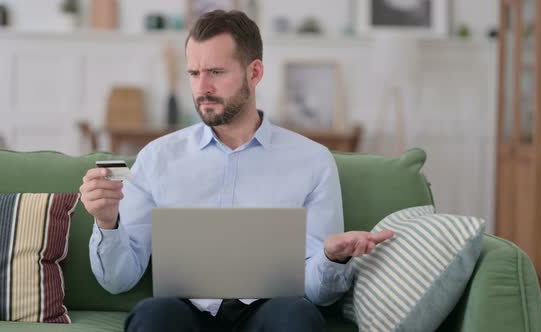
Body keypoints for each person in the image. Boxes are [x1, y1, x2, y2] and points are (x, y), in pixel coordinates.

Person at [80, 10, 393, 332]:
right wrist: (107, 222)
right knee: (153, 316)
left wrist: (331, 257)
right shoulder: (157, 158)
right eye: (193, 72)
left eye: (216, 71)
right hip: (184, 310)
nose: (203, 87)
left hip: (271, 310)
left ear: (254, 72)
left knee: (298, 317)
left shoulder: (312, 160)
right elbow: (118, 281)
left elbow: (319, 294)